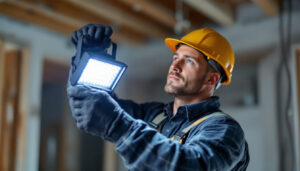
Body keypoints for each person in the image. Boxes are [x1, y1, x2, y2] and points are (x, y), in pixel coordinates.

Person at [67, 24, 249, 171]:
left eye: (189, 61)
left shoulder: (225, 131)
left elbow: (192, 166)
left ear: (212, 78)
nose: (175, 66)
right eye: (175, 57)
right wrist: (84, 60)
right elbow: (87, 111)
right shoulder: (153, 114)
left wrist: (119, 126)